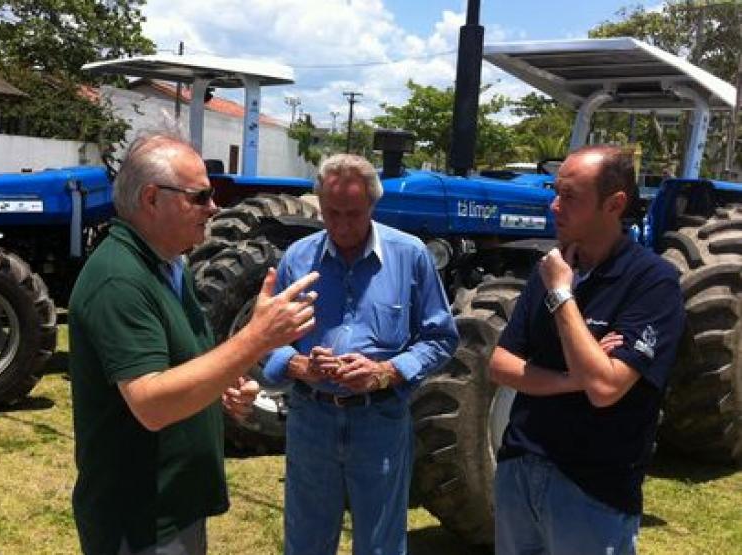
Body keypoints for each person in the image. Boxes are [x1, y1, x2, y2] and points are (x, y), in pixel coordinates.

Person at [68, 131, 319, 555]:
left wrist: (218, 390)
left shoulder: (170, 266)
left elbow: (179, 364)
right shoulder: (119, 280)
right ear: (152, 199)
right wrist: (256, 339)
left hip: (174, 505)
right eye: (200, 196)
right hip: (141, 519)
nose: (214, 207)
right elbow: (152, 403)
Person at [489, 145, 685, 554]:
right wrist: (573, 377)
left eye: (571, 197)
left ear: (614, 204)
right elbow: (501, 365)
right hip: (519, 470)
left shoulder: (652, 282)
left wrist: (562, 296)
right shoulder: (553, 265)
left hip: (591, 489)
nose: (554, 206)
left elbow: (605, 389)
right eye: (555, 192)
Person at [262, 153, 459, 554]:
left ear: (373, 205)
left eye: (353, 214)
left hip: (380, 420)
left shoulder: (411, 256)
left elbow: (441, 337)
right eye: (331, 213)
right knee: (306, 542)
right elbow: (262, 341)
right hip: (311, 420)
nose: (341, 225)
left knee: (381, 544)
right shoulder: (298, 258)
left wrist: (386, 371)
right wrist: (299, 365)